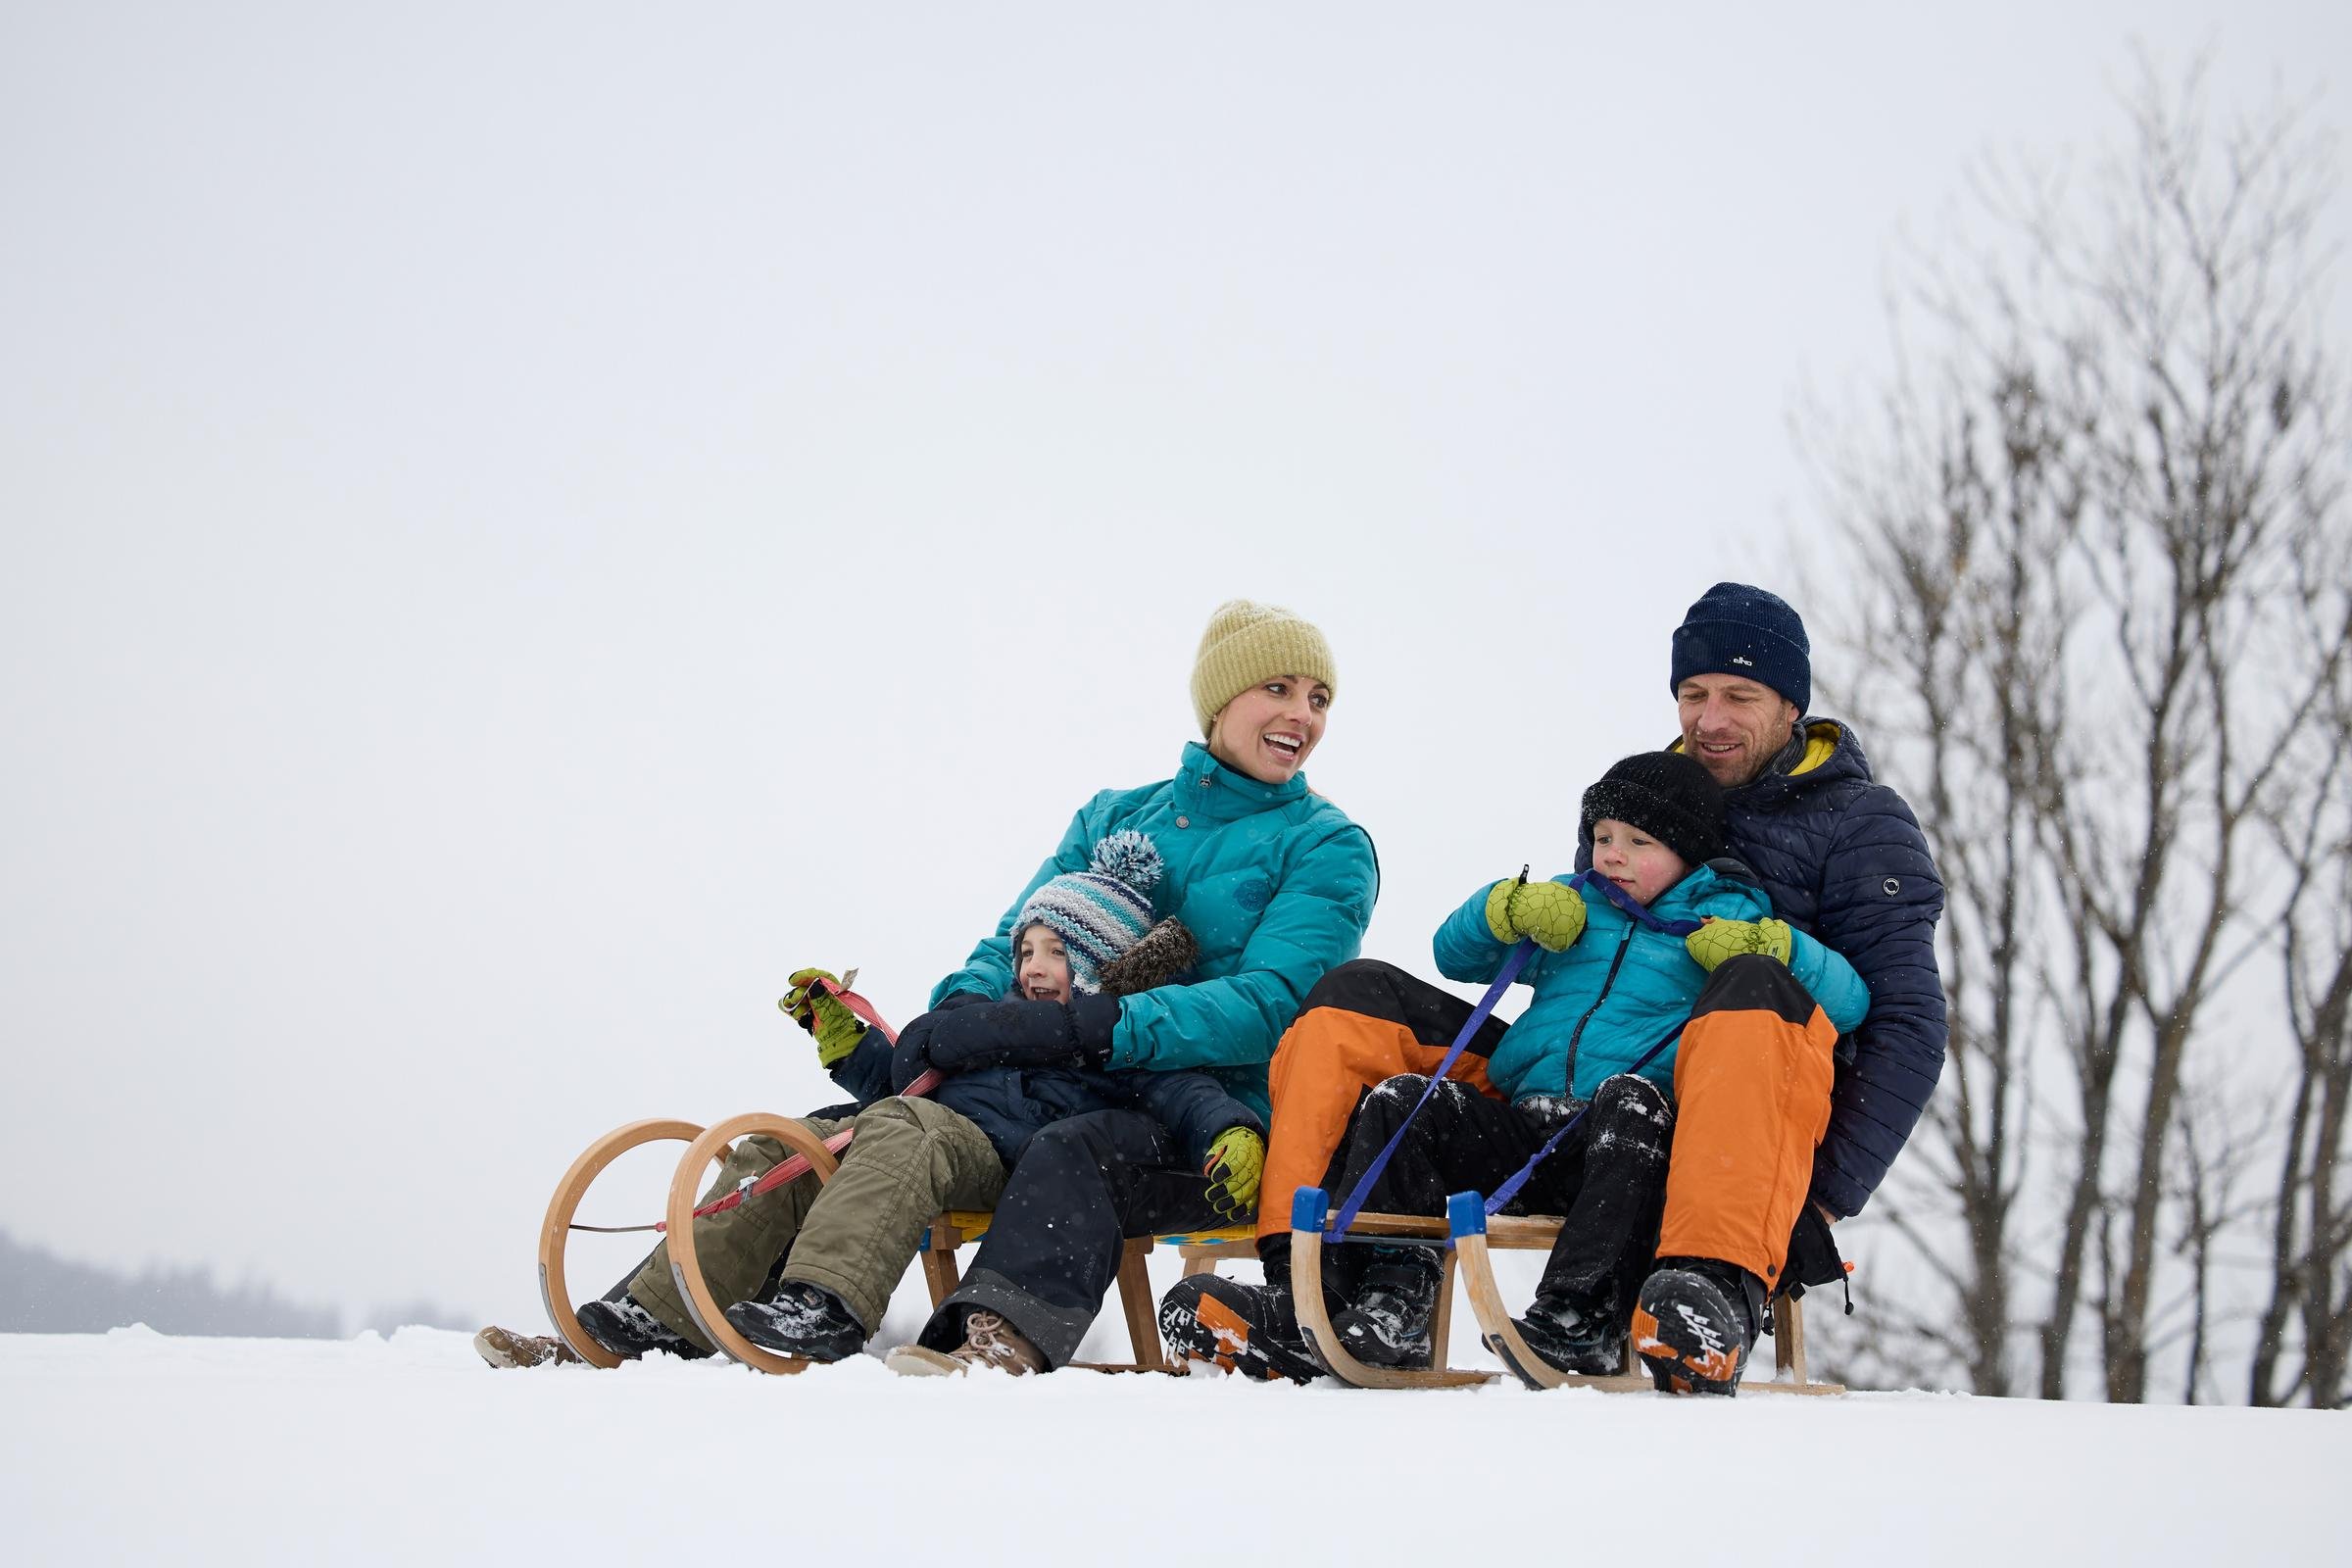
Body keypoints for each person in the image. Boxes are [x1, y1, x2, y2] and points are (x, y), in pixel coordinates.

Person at [1161, 582, 1944, 1395]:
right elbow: (1521, 958)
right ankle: (1316, 1290)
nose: (1709, 718)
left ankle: (1705, 1286)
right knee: (1356, 1003)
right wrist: (1511, 908)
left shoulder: (1857, 823)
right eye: (1693, 693)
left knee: (1749, 988)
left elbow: (1904, 1021)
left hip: (1708, 1117)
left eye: (1738, 696)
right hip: (1550, 1094)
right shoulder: (1645, 789)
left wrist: (1821, 1195)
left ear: (1792, 706)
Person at [879, 601, 1379, 1375]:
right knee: (876, 1122)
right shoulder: (1114, 816)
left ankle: (1000, 1336)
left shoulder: (1325, 845)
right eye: (1278, 688)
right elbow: (1016, 935)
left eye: (1319, 699)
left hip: (1202, 1118)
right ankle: (732, 1298)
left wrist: (1102, 1026)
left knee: (1077, 1148)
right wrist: (961, 1010)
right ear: (1220, 700)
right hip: (1048, 1086)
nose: (1302, 715)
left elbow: (1274, 1004)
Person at [1309, 751, 1868, 1375]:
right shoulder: (1572, 907)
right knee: (1406, 1100)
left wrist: (1774, 947)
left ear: (1689, 854)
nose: (1613, 855)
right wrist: (1506, 907)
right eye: (1602, 837)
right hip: (1528, 1132)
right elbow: (1452, 955)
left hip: (1628, 1148)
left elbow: (1848, 1002)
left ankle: (1581, 1317)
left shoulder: (1731, 917)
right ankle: (1388, 1299)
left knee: (1629, 1100)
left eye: (1638, 841)